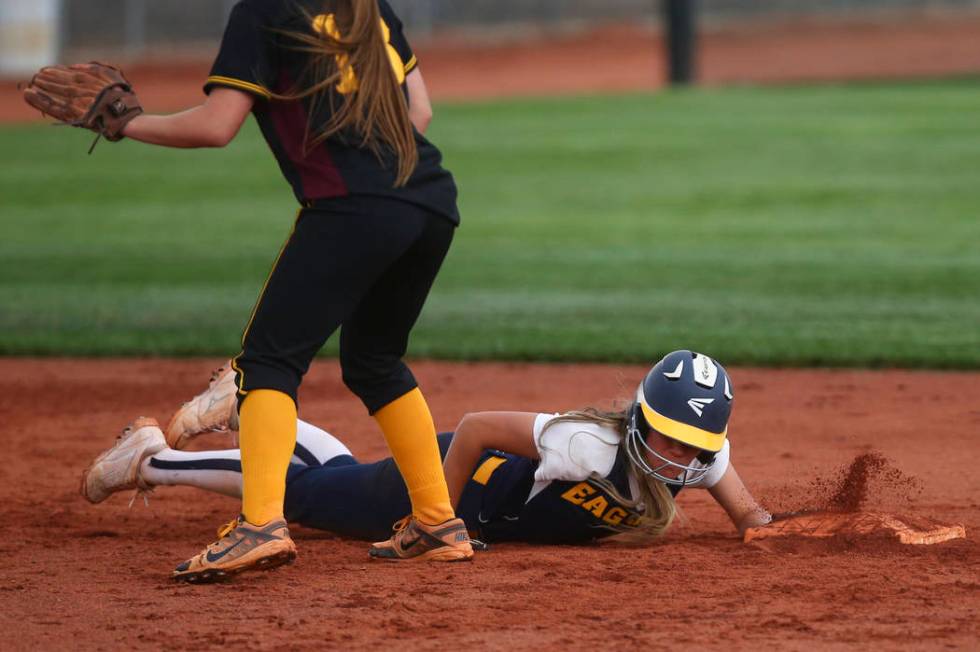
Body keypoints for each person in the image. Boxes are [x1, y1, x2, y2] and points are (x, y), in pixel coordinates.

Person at [56, 0, 472, 580]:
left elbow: (216, 125)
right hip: (431, 201)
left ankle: (261, 526)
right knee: (375, 360)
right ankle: (436, 521)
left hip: (353, 208)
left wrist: (125, 123)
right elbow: (418, 111)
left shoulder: (265, 9)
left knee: (266, 363)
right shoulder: (368, 5)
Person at [81, 351, 772, 571]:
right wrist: (428, 515)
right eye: (671, 438)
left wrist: (785, 525)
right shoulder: (588, 446)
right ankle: (153, 459)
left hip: (462, 499)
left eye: (695, 445)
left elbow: (753, 517)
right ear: (642, 422)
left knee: (337, 472)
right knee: (306, 498)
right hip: (450, 483)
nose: (682, 457)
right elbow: (474, 429)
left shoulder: (700, 458)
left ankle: (252, 408)